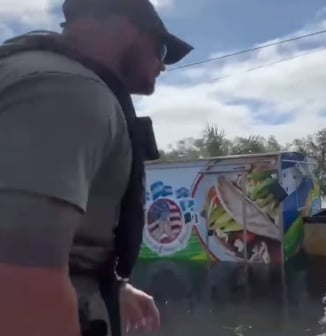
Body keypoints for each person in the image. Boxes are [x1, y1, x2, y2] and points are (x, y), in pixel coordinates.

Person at [0, 0, 193, 335]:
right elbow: (20, 280)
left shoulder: (41, 77)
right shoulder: (66, 91)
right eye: (160, 49)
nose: (163, 66)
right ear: (120, 26)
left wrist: (110, 286)